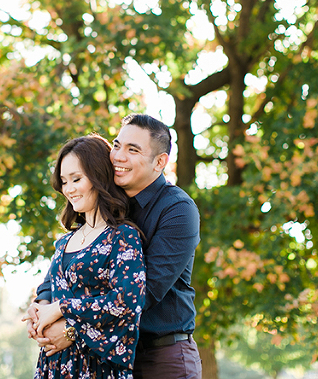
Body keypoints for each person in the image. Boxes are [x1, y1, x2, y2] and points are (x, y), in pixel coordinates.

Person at [28, 114, 202, 379]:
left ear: (159, 162)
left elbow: (142, 294)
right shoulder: (104, 207)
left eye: (133, 150)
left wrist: (72, 329)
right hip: (102, 358)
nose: (119, 156)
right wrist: (42, 306)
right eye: (117, 145)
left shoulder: (177, 210)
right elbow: (67, 272)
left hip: (160, 355)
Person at [23, 134, 146, 379]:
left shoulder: (122, 236)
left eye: (76, 179)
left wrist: (62, 309)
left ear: (99, 177)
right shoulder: (64, 242)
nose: (68, 189)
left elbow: (126, 303)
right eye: (64, 181)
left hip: (96, 367)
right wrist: (38, 311)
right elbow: (49, 289)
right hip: (54, 366)